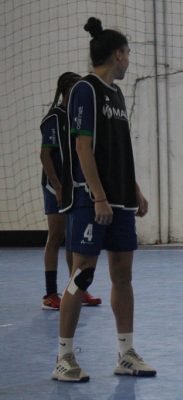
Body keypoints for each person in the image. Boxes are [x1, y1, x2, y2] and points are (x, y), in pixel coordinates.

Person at [52, 17, 155, 382]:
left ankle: (125, 353)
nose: (129, 60)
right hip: (91, 202)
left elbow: (119, 149)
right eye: (127, 54)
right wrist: (98, 197)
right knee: (83, 276)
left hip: (121, 201)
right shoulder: (86, 89)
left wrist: (135, 190)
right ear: (117, 55)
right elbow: (82, 147)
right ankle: (64, 357)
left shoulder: (116, 94)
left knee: (122, 276)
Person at [40, 72, 102, 310]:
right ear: (68, 90)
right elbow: (45, 155)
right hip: (55, 185)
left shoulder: (76, 116)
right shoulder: (54, 118)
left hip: (72, 186)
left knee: (72, 239)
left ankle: (75, 290)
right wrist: (56, 186)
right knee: (55, 236)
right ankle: (49, 293)